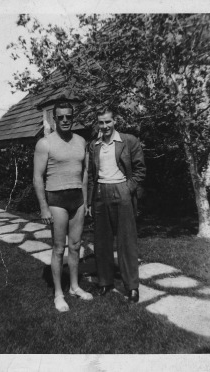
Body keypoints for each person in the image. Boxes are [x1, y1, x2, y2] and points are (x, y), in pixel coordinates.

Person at [33, 101, 93, 313]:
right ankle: (59, 293)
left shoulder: (81, 141)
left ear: (72, 117)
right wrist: (44, 208)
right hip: (56, 199)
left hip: (77, 198)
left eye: (69, 117)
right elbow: (38, 178)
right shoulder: (45, 143)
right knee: (59, 248)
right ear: (54, 119)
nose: (65, 120)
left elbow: (85, 173)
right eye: (61, 117)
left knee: (75, 246)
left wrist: (86, 201)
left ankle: (75, 286)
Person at [87, 106, 146, 303]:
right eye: (101, 122)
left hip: (121, 191)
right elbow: (91, 176)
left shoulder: (128, 141)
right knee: (101, 242)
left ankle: (132, 286)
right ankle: (105, 282)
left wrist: (128, 188)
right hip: (100, 193)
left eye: (108, 122)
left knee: (126, 241)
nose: (104, 126)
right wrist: (89, 201)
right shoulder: (94, 145)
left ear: (115, 121)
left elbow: (140, 170)